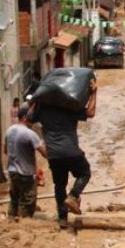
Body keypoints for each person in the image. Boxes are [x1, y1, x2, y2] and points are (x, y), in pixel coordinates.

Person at [29, 76, 97, 227]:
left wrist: (34, 101)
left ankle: (62, 219)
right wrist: (93, 93)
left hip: (53, 154)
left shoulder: (42, 109)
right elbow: (91, 113)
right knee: (85, 173)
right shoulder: (70, 107)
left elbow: (28, 118)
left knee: (59, 185)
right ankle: (73, 196)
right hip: (71, 151)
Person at [6, 104, 47, 220]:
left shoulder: (9, 130)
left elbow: (6, 151)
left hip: (12, 171)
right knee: (27, 203)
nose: (33, 120)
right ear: (24, 117)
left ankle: (10, 223)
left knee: (14, 200)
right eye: (31, 117)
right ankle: (23, 226)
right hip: (26, 174)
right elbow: (45, 153)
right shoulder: (30, 134)